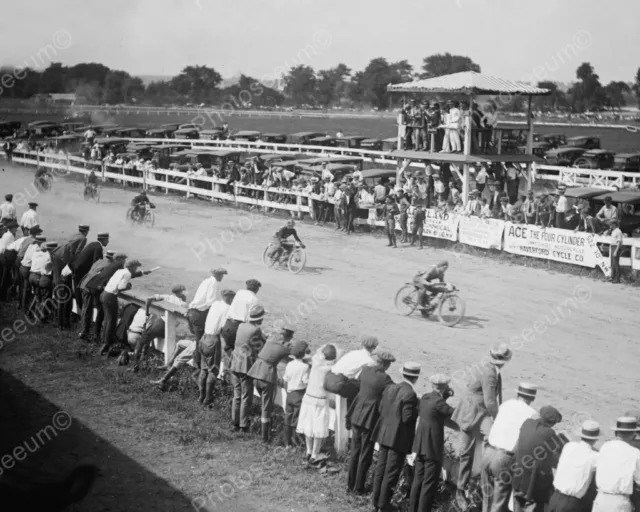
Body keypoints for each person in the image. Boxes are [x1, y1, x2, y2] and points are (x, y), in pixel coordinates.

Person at [452, 343, 513, 507]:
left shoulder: (490, 368)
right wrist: (499, 419)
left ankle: (481, 478)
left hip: (479, 411)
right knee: (467, 451)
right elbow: (490, 400)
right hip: (473, 412)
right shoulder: (491, 373)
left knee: (491, 441)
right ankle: (461, 489)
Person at [480, 382, 538, 512]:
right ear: (533, 398)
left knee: (486, 498)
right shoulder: (532, 414)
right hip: (504, 458)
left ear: (518, 393)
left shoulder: (506, 404)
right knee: (499, 502)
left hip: (488, 452)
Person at [371, 362, 420, 512]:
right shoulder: (410, 394)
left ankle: (376, 502)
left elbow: (381, 408)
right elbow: (407, 418)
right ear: (416, 378)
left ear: (403, 374)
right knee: (391, 472)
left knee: (381, 469)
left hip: (384, 433)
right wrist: (417, 409)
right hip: (397, 438)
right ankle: (384, 505)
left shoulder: (389, 388)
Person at [346, 350, 395, 494]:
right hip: (369, 418)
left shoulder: (365, 370)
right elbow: (392, 393)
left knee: (355, 451)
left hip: (357, 414)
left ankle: (350, 484)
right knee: (365, 454)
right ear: (385, 365)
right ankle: (358, 487)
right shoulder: (385, 379)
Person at [409, 374, 457, 512]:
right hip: (432, 449)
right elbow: (453, 412)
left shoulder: (425, 398)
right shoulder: (440, 403)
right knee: (428, 484)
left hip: (420, 446)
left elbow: (435, 405)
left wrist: (444, 395)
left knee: (418, 480)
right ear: (444, 387)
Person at [512, 406, 565, 512]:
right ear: (551, 423)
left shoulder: (527, 423)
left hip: (517, 478)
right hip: (532, 485)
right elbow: (558, 453)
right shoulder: (549, 433)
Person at [248, 327, 294, 443]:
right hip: (266, 375)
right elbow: (297, 353)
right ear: (290, 337)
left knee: (265, 404)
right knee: (266, 407)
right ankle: (264, 437)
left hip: (256, 371)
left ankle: (266, 428)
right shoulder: (285, 347)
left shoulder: (271, 339)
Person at [297, 344, 338, 465]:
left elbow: (319, 351)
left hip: (309, 398)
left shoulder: (315, 362)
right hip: (321, 400)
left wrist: (323, 351)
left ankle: (308, 452)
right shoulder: (331, 369)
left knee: (308, 426)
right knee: (319, 428)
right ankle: (315, 454)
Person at [99, 259, 151, 354]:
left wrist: (142, 272)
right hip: (110, 297)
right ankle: (107, 344)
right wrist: (129, 286)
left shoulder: (120, 271)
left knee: (107, 320)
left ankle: (104, 341)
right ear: (132, 267)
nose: (136, 269)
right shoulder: (127, 274)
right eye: (136, 267)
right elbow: (121, 287)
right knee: (111, 321)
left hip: (104, 294)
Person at [547, 420, 600, 512]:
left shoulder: (569, 446)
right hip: (571, 503)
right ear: (596, 439)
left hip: (555, 497)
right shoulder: (594, 457)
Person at [229, 305, 266, 433]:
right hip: (245, 366)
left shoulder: (241, 326)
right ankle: (243, 425)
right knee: (246, 396)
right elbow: (262, 345)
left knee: (237, 394)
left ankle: (235, 423)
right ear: (259, 319)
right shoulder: (256, 331)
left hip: (235, 362)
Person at [592, 416, 640, 512]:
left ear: (616, 432)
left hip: (600, 498)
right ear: (634, 434)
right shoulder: (635, 453)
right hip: (619, 502)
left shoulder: (605, 446)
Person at [196, 289, 235, 407]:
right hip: (213, 340)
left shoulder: (215, 304)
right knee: (213, 371)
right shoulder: (228, 309)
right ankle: (208, 399)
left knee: (203, 370)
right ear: (229, 298)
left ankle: (201, 396)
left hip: (203, 338)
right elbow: (225, 329)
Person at [324, 335, 378, 407]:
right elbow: (363, 378)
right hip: (338, 384)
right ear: (374, 347)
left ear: (362, 344)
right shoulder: (370, 361)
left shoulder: (353, 352)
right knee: (362, 392)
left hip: (327, 380)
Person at [68, 232, 109, 312]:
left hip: (77, 266)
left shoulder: (94, 244)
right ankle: (81, 309)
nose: (108, 242)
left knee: (78, 289)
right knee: (80, 289)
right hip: (79, 269)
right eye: (107, 240)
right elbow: (96, 264)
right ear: (103, 240)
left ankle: (80, 308)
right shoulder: (98, 248)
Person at [282, 340, 310, 448]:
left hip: (290, 393)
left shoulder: (289, 364)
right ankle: (295, 443)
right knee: (296, 418)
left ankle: (286, 443)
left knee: (288, 417)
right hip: (299, 394)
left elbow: (285, 379)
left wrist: (287, 391)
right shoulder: (305, 367)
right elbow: (305, 382)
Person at [220, 278, 261, 353]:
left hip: (227, 325)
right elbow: (251, 317)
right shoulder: (254, 299)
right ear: (257, 289)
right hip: (238, 328)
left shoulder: (240, 292)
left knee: (228, 348)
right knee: (237, 352)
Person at [187, 268, 228, 343]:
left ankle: (197, 353)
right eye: (222, 275)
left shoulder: (207, 281)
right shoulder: (213, 283)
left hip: (192, 312)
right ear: (218, 275)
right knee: (201, 341)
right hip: (198, 314)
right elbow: (210, 302)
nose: (222, 277)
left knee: (199, 340)